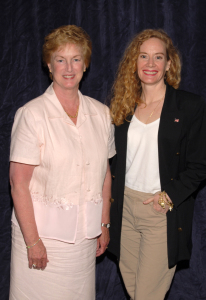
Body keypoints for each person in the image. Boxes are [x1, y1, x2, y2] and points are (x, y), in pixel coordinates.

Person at [9, 25, 115, 300]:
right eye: (60, 59)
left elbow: (105, 174)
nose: (69, 67)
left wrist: (104, 225)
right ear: (49, 64)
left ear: (86, 64)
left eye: (76, 59)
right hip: (41, 239)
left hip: (84, 239)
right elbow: (18, 183)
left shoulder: (102, 114)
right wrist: (33, 242)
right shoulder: (31, 115)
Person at [108, 29, 206, 300]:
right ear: (135, 62)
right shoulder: (123, 105)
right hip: (123, 210)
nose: (150, 64)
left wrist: (167, 199)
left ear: (169, 64)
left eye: (158, 57)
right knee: (136, 292)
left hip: (160, 212)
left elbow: (201, 165)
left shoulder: (189, 106)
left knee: (146, 295)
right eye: (143, 56)